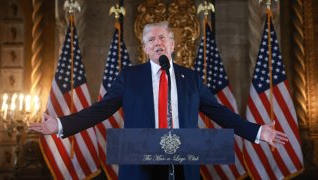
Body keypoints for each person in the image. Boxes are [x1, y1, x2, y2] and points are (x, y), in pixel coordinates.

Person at [30, 21, 288, 180]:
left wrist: (257, 131)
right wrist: (61, 125)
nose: (157, 43)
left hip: (183, 167)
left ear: (172, 45)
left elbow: (221, 113)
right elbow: (100, 110)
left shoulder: (192, 79)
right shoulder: (130, 77)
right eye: (151, 39)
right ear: (144, 48)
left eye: (162, 37)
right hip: (140, 169)